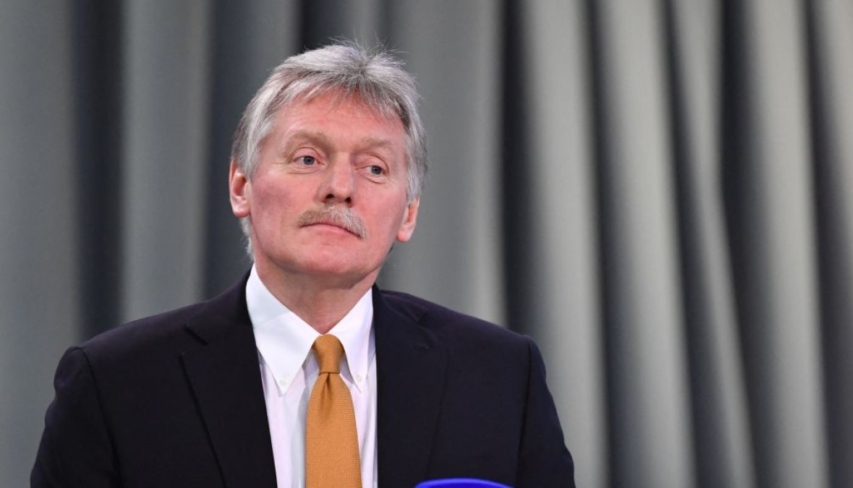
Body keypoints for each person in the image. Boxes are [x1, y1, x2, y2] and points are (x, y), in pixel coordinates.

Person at [31, 43, 574, 488]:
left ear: (407, 214)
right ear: (241, 185)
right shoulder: (115, 384)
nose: (340, 188)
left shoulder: (501, 376)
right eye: (308, 158)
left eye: (375, 168)